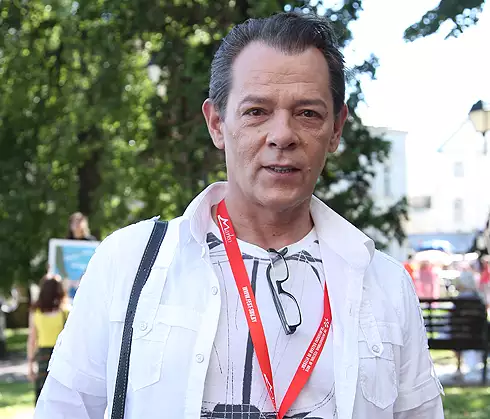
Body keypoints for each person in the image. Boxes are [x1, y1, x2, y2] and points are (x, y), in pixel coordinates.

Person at [34, 12, 444, 419]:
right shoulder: (126, 264)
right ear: (217, 123)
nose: (282, 135)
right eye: (256, 111)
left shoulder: (385, 286)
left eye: (308, 113)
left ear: (336, 129)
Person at [27, 274, 69, 402]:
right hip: (60, 357)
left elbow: (32, 340)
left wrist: (30, 364)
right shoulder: (65, 312)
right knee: (60, 397)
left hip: (42, 357)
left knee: (42, 396)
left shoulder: (36, 313)